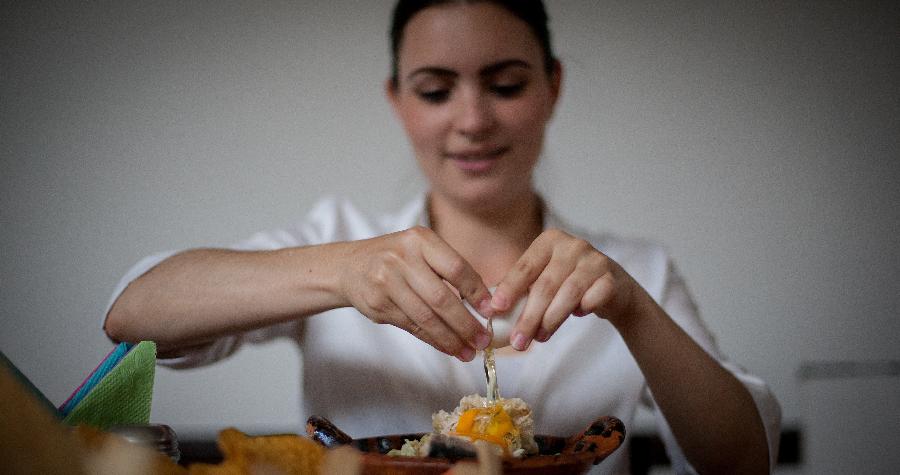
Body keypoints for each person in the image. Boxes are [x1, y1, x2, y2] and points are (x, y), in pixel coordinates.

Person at [103, 1, 780, 473]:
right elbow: (133, 313)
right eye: (435, 91)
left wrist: (629, 305)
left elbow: (743, 463)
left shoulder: (633, 271)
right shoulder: (341, 238)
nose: (473, 119)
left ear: (553, 85)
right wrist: (340, 272)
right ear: (397, 101)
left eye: (505, 83)